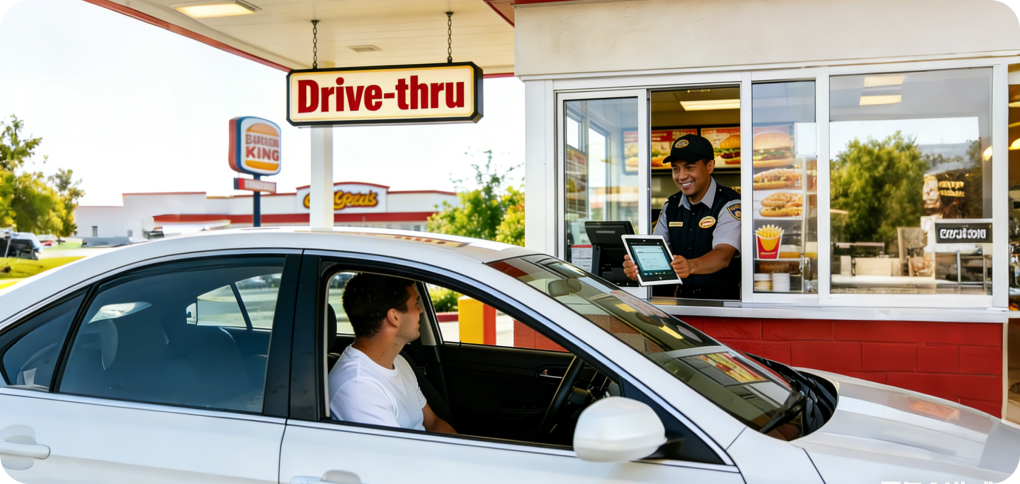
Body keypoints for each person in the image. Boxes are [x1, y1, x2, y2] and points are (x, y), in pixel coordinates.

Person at [328, 273, 456, 434]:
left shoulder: (399, 361)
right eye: (415, 303)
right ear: (394, 316)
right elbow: (397, 457)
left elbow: (432, 422)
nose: (421, 310)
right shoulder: (358, 387)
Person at [624, 133, 741, 299]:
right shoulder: (670, 206)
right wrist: (639, 267)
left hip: (723, 303)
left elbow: (723, 255)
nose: (681, 176)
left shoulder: (729, 203)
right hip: (682, 300)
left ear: (710, 166)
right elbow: (656, 252)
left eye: (689, 167)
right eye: (675, 169)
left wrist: (691, 265)